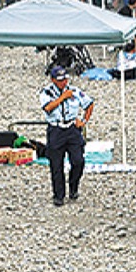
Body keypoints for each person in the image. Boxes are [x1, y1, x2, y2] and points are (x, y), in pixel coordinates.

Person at [40, 65, 93, 207]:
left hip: (72, 129)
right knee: (56, 165)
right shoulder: (47, 92)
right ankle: (59, 195)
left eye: (65, 79)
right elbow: (48, 108)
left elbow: (89, 103)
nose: (63, 82)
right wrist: (63, 97)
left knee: (78, 161)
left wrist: (84, 121)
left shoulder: (74, 91)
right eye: (60, 80)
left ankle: (73, 186)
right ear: (53, 80)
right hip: (56, 130)